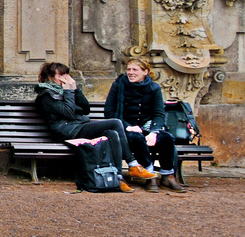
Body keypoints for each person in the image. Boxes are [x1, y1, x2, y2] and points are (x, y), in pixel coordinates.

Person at [35, 62, 153, 192]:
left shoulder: (66, 91)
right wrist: (69, 91)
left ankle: (117, 178)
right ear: (51, 77)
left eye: (67, 74)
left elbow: (85, 109)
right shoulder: (46, 95)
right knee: (115, 123)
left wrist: (76, 90)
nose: (66, 78)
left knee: (112, 133)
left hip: (80, 126)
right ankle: (133, 164)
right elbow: (68, 113)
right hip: (67, 130)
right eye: (61, 75)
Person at [106, 59, 188, 191]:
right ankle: (150, 176)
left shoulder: (154, 88)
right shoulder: (118, 85)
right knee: (136, 138)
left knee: (165, 138)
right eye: (129, 69)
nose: (130, 73)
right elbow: (109, 112)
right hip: (124, 127)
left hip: (147, 126)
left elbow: (159, 113)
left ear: (145, 72)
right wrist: (127, 126)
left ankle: (168, 176)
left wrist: (154, 132)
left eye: (135, 70)